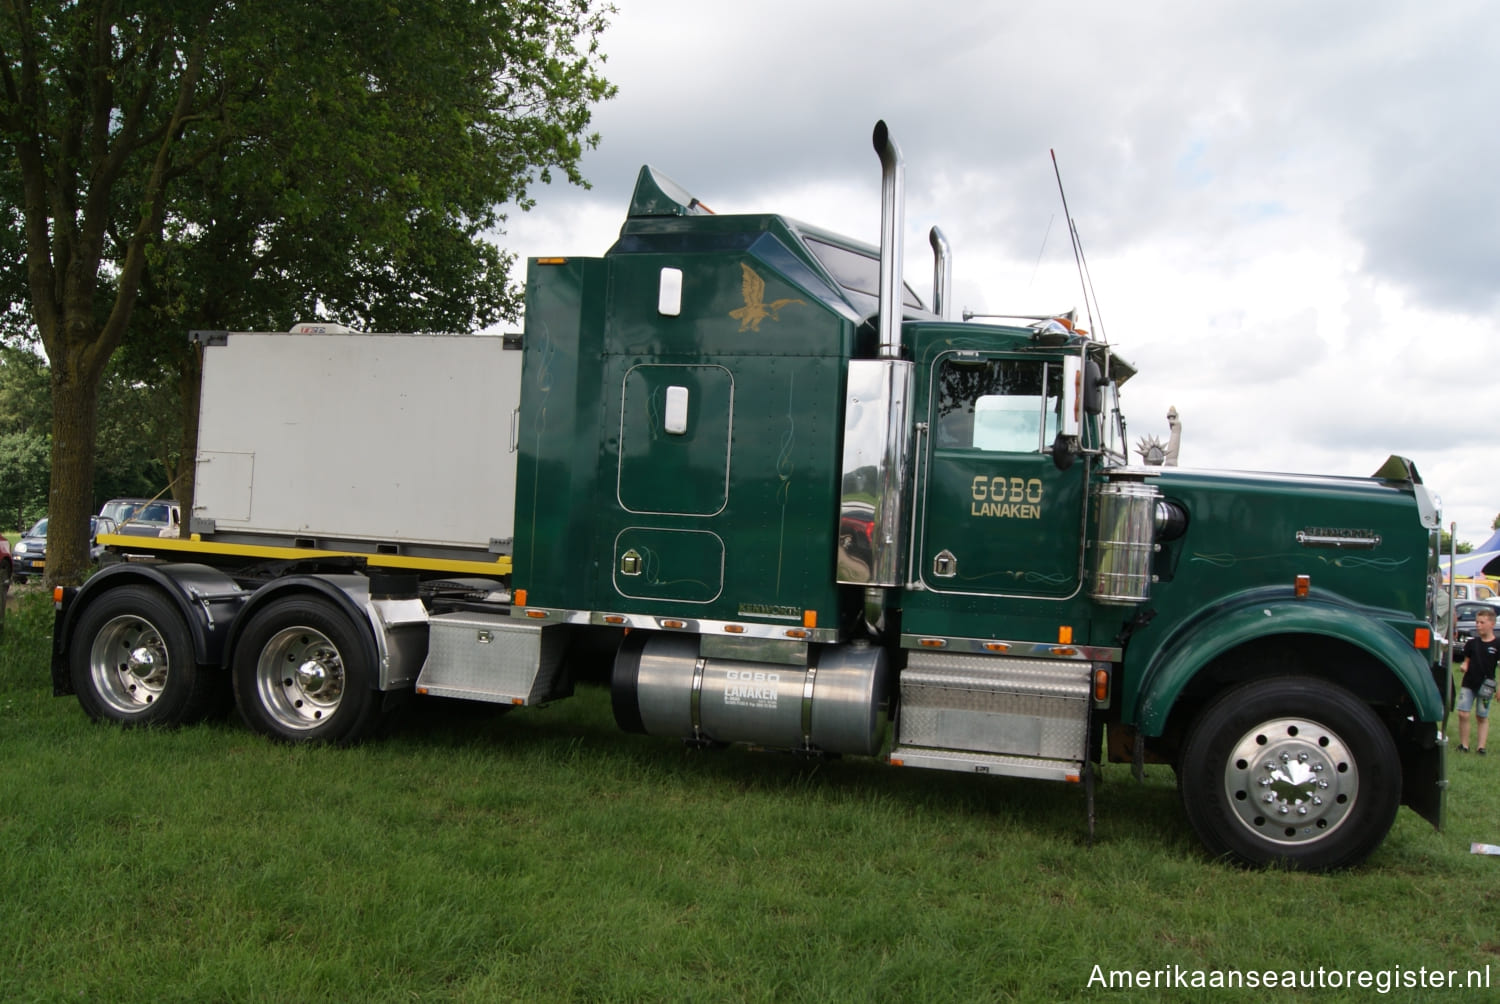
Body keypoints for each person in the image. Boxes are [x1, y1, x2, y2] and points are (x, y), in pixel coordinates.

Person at [1456, 607, 1500, 753]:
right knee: (1463, 713)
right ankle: (1464, 745)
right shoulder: (1472, 643)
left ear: (1492, 624)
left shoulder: (1497, 644)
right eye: (1477, 622)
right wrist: (1464, 665)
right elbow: (1466, 661)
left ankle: (1481, 747)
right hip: (1468, 683)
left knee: (1482, 716)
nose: (1478, 625)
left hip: (1486, 686)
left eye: (1482, 622)